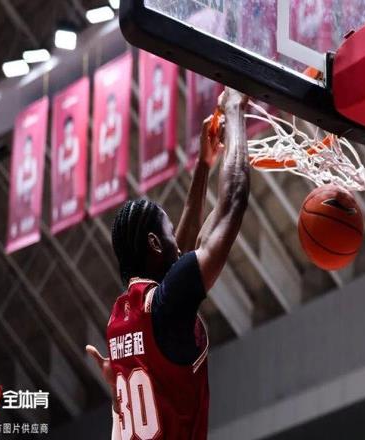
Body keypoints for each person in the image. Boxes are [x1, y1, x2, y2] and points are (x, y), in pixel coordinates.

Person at [86, 87, 250, 439]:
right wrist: (236, 111)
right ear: (154, 243)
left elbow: (179, 255)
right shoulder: (164, 307)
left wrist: (204, 165)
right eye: (169, 233)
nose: (179, 241)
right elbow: (233, 202)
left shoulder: (120, 320)